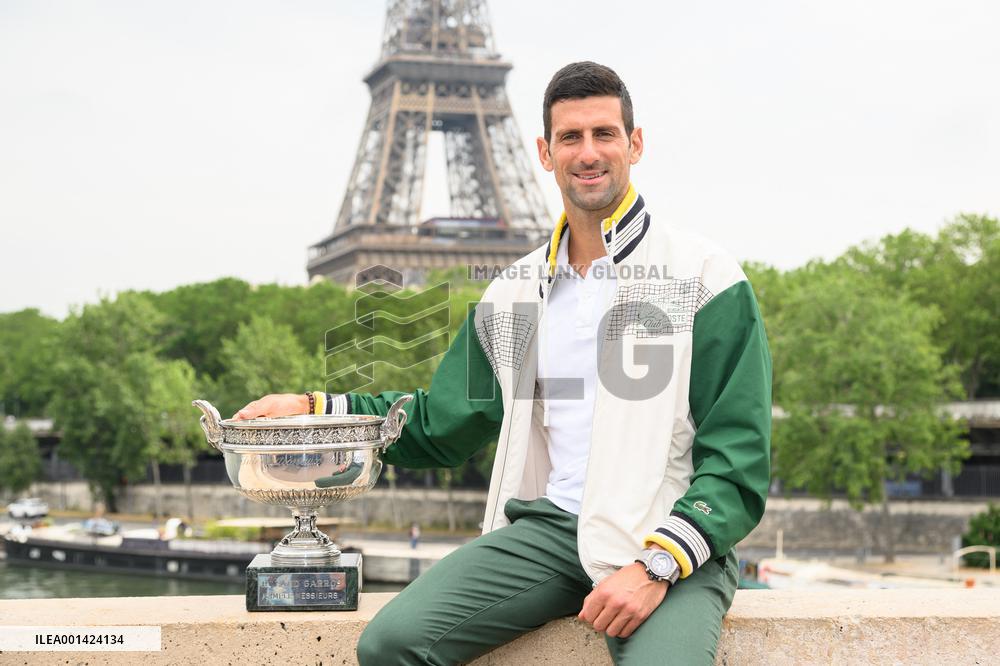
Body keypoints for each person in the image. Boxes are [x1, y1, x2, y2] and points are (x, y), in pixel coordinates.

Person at [235, 61, 771, 665]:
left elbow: (737, 461)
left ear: (635, 143)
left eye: (605, 134)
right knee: (390, 645)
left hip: (667, 539)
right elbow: (441, 422)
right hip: (551, 535)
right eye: (571, 137)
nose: (588, 152)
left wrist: (655, 564)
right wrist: (316, 408)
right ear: (544, 152)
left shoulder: (705, 275)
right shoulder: (514, 291)